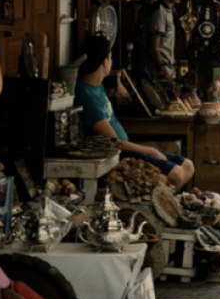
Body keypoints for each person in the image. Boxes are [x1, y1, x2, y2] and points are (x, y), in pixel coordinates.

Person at [75, 36, 194, 189]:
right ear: (105, 62)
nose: (111, 61)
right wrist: (150, 150)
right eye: (110, 57)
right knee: (176, 174)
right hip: (120, 154)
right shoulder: (86, 94)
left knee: (188, 165)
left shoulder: (96, 85)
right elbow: (114, 142)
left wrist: (118, 82)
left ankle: (162, 200)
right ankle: (158, 202)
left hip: (128, 146)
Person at [137, 0, 187, 95]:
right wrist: (165, 73)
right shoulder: (160, 13)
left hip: (169, 74)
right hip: (158, 77)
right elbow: (153, 48)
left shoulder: (171, 12)